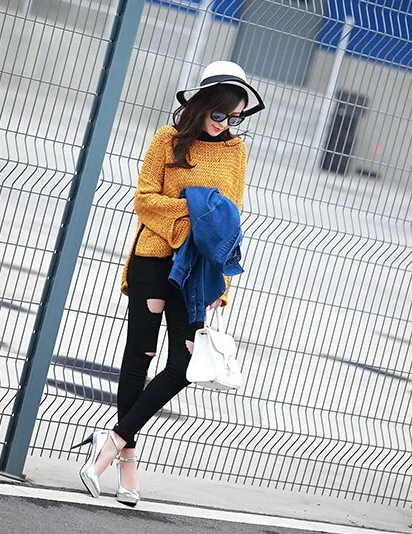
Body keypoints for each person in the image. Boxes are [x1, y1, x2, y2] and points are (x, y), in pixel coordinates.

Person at [72, 61, 265, 507]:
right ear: (201, 105)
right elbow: (144, 201)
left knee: (185, 363)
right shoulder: (167, 139)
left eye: (235, 118)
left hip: (198, 272)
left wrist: (222, 283)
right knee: (140, 356)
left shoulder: (236, 152)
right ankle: (127, 466)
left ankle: (111, 442)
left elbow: (230, 220)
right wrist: (196, 209)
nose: (225, 124)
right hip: (154, 259)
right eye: (220, 114)